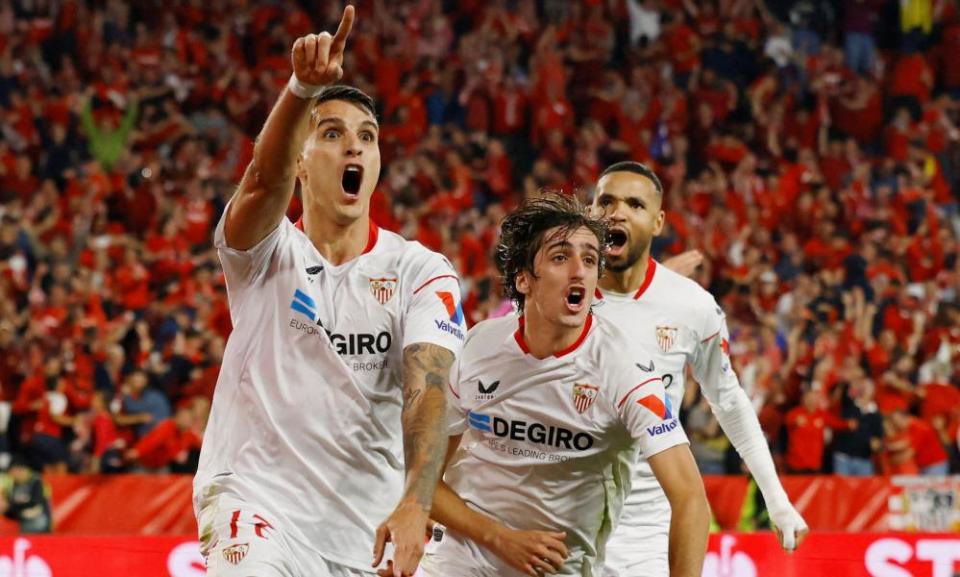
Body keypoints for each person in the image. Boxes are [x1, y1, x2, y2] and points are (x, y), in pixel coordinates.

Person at [193, 7, 463, 577]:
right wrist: (300, 91)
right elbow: (263, 181)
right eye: (333, 134)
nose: (353, 149)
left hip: (366, 530)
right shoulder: (264, 253)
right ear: (301, 161)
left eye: (367, 137)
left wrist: (417, 499)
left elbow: (429, 387)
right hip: (258, 505)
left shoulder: (421, 272)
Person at [417, 194, 709, 577]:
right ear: (523, 279)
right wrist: (500, 538)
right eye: (560, 257)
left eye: (589, 259)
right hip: (458, 561)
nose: (580, 272)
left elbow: (690, 499)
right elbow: (422, 477)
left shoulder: (626, 369)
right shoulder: (478, 347)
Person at [589, 162, 808, 577]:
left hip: (644, 530)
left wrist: (776, 499)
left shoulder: (691, 306)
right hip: (560, 516)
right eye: (606, 201)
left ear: (657, 223)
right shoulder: (558, 296)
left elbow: (728, 400)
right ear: (589, 212)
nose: (617, 212)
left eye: (634, 204)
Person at [0, 456, 52, 533]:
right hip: (23, 527)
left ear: (21, 470)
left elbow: (36, 503)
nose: (12, 475)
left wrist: (10, 506)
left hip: (40, 525)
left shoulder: (36, 482)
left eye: (13, 471)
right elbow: (11, 509)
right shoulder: (13, 485)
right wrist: (7, 508)